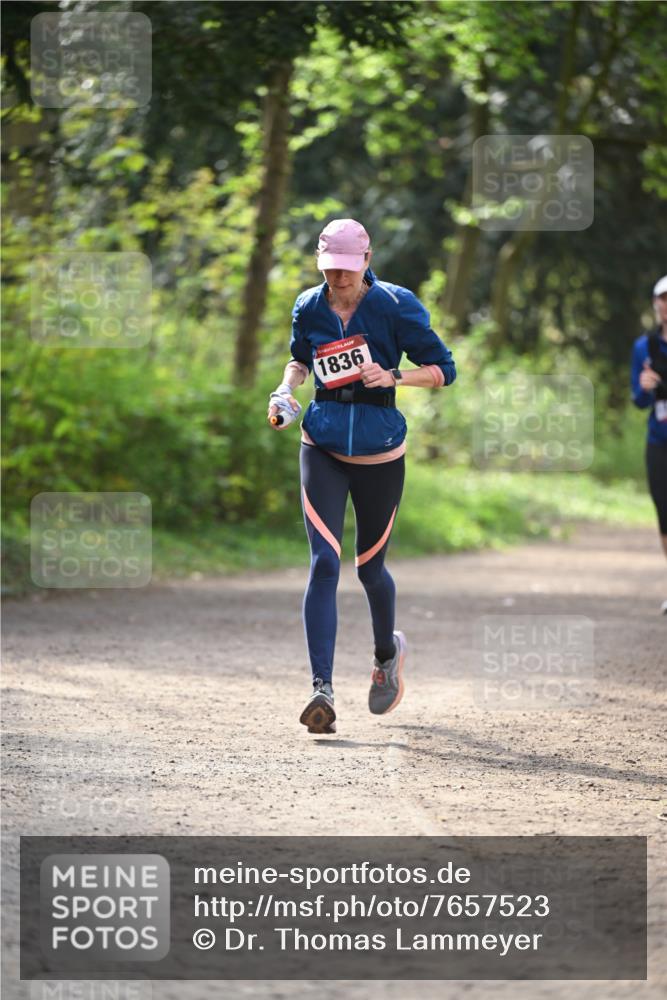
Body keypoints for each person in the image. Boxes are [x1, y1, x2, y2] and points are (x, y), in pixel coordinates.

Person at [267, 218, 456, 733]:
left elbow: (444, 368)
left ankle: (385, 656)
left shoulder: (396, 305)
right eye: (330, 270)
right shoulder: (309, 305)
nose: (339, 280)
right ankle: (320, 689)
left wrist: (394, 374)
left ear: (367, 261)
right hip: (322, 443)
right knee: (324, 563)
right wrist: (285, 391)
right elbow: (299, 361)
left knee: (370, 570)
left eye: (348, 270)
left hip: (379, 452)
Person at [631, 274, 667, 613]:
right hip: (659, 440)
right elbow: (639, 401)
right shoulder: (644, 347)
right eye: (664, 299)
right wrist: (644, 386)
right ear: (656, 304)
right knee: (665, 513)